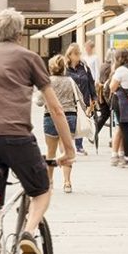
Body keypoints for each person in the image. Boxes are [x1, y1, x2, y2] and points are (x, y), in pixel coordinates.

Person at [0, 9, 75, 254]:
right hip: (16, 138)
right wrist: (69, 150)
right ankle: (29, 232)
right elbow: (55, 108)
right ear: (20, 34)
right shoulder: (29, 57)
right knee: (42, 190)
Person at [36, 54, 78, 193]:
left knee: (51, 152)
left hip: (51, 117)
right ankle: (67, 182)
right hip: (70, 116)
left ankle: (49, 182)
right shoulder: (70, 81)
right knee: (66, 150)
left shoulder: (47, 82)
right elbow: (79, 98)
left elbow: (39, 102)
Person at [65, 43, 96, 155]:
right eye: (76, 54)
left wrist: (94, 97)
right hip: (69, 100)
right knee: (70, 123)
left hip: (83, 98)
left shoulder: (85, 67)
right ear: (70, 55)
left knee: (81, 120)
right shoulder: (65, 69)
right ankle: (68, 146)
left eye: (79, 53)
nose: (78, 56)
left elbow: (91, 82)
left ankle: (79, 146)